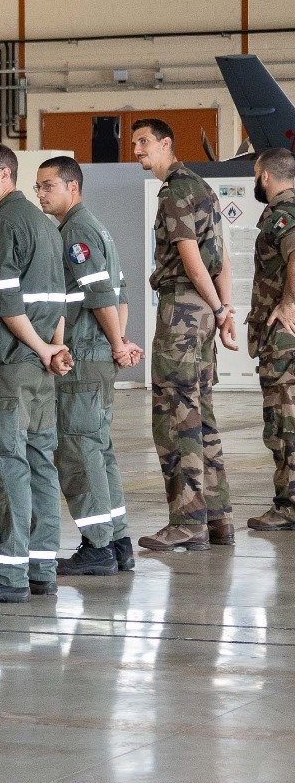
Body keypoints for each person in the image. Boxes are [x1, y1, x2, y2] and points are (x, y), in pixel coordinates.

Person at [0, 142, 72, 604]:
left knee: (5, 463)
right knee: (40, 461)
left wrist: (42, 346)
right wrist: (53, 347)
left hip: (9, 364)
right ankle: (41, 565)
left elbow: (6, 305)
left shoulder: (2, 226)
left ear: (5, 176)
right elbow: (57, 298)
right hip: (39, 365)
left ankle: (9, 573)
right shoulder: (44, 226)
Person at [34, 157, 144, 576]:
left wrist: (117, 343)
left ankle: (97, 546)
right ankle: (117, 541)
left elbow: (99, 293)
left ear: (72, 188)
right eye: (39, 187)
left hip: (83, 355)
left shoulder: (77, 231)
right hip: (98, 353)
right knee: (99, 451)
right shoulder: (93, 227)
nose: (41, 194)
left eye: (49, 186)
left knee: (79, 451)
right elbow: (122, 291)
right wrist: (120, 340)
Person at [133, 118, 237, 551]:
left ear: (166, 144)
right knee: (202, 414)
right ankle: (218, 518)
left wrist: (215, 307)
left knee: (176, 417)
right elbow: (223, 260)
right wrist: (223, 311)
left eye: (144, 143)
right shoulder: (204, 188)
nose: (137, 150)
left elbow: (193, 259)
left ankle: (187, 520)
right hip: (204, 313)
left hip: (182, 311)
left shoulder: (174, 191)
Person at [245, 148, 295, 532]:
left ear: (265, 177)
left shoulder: (283, 215)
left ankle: (288, 506)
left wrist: (289, 301)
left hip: (284, 340)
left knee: (283, 419)